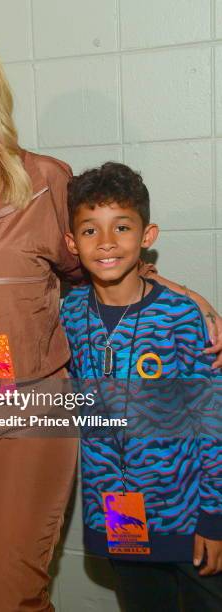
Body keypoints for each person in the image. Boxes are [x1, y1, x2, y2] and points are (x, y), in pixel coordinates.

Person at [0, 21, 222, 611]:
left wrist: (178, 293)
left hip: (34, 401)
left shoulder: (45, 181)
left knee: (12, 589)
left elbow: (101, 258)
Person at [60, 162, 222, 611]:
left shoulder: (180, 317)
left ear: (147, 236)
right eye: (90, 231)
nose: (107, 242)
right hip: (118, 513)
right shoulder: (68, 315)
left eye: (122, 227)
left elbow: (211, 422)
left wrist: (215, 517)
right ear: (72, 244)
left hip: (190, 518)